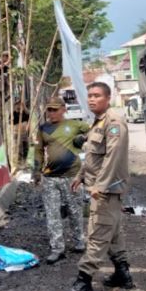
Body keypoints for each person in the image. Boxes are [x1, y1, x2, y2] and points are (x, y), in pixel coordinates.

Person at [63, 82, 133, 291]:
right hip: (99, 188)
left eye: (97, 96)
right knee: (112, 232)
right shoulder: (98, 122)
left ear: (108, 98)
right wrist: (81, 176)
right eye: (89, 95)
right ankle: (123, 273)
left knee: (97, 234)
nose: (92, 99)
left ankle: (84, 280)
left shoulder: (114, 122)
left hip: (106, 191)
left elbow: (113, 158)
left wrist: (99, 187)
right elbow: (94, 156)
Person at [33, 96, 90, 264]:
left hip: (72, 176)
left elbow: (95, 129)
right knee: (52, 214)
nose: (51, 113)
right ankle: (57, 248)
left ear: (64, 109)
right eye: (49, 110)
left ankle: (79, 241)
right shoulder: (43, 129)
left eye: (55, 109)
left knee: (75, 210)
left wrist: (83, 139)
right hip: (50, 177)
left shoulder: (74, 125)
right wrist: (36, 172)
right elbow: (37, 151)